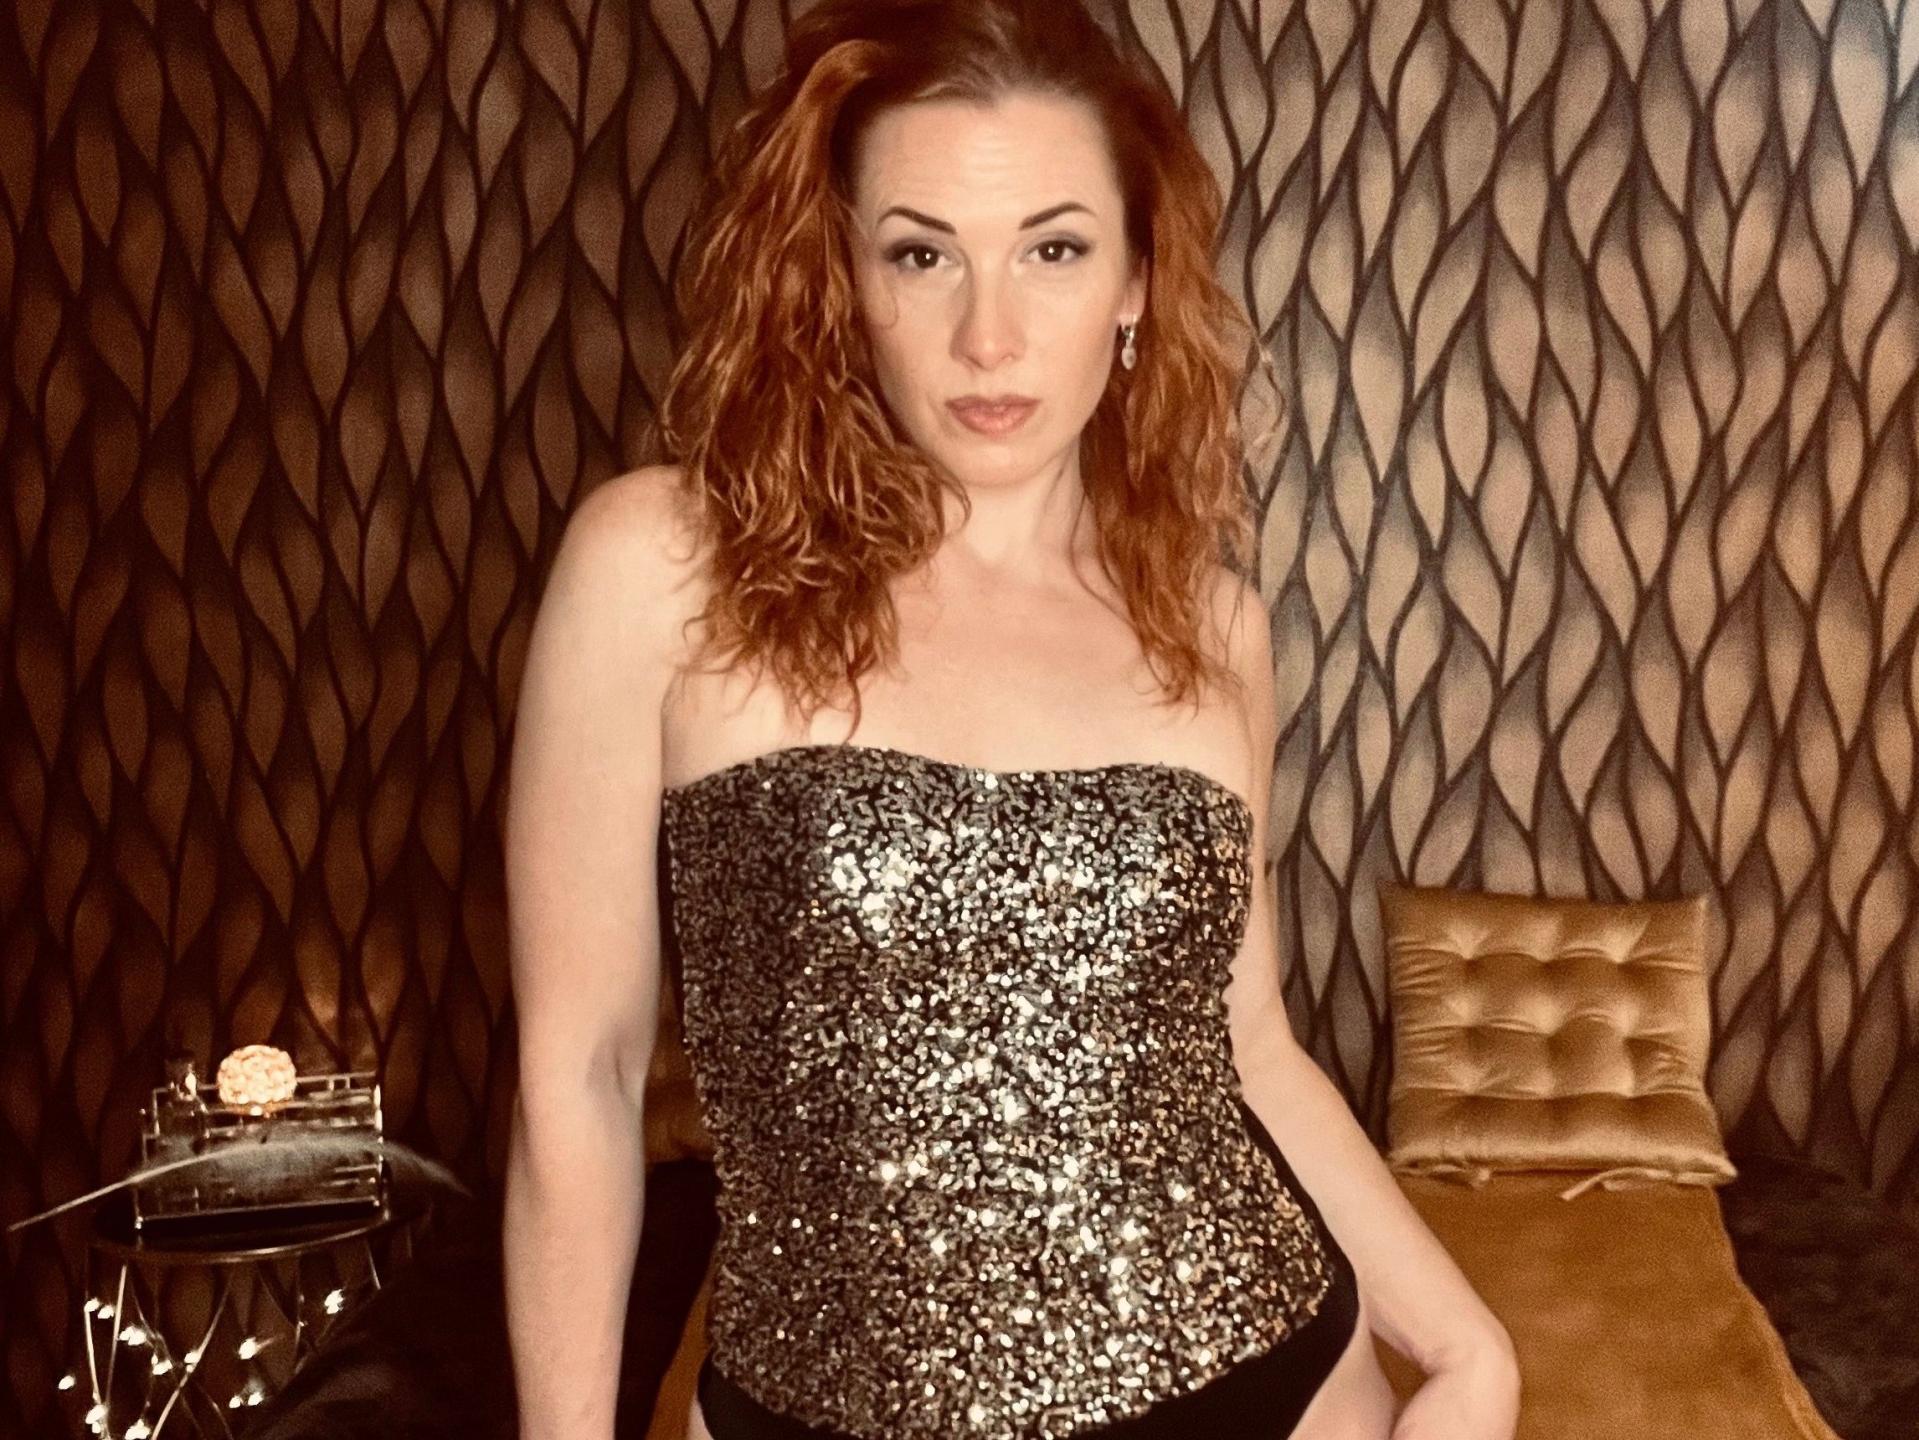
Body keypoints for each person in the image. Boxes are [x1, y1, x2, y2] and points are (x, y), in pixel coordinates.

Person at [502, 1, 1520, 1437]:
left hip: (1264, 1385)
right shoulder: (663, 566)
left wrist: (1469, 1347)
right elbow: (583, 1076)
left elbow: (1242, 1037)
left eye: (1054, 250)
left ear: (1136, 281)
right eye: (922, 254)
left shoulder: (1210, 624)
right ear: (844, 279)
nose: (990, 336)